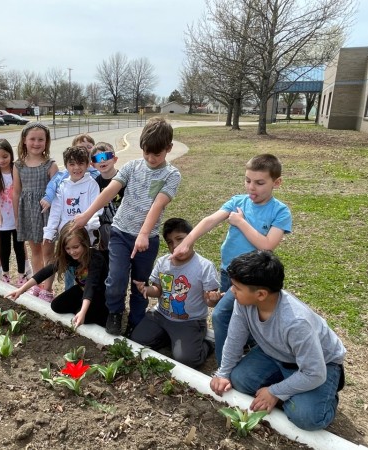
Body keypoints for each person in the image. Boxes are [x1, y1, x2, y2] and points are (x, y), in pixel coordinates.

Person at [171, 153, 292, 366]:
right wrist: (187, 241)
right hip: (229, 272)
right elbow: (210, 220)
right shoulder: (238, 201)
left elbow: (267, 245)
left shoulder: (280, 211)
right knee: (239, 316)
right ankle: (240, 350)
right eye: (248, 180)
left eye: (259, 183)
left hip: (253, 280)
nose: (251, 187)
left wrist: (240, 222)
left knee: (221, 315)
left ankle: (224, 365)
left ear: (277, 182)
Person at [210, 250, 346, 431]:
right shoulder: (243, 303)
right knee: (239, 380)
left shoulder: (296, 322)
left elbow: (315, 372)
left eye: (237, 287)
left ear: (261, 294)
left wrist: (275, 392)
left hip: (320, 366)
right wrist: (223, 372)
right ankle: (291, 389)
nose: (231, 290)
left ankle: (325, 395)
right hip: (275, 353)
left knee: (307, 417)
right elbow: (234, 340)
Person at [73, 117, 181, 335]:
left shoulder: (172, 175)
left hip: (147, 240)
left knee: (140, 282)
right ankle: (115, 311)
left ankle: (136, 319)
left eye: (157, 154)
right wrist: (86, 215)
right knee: (116, 278)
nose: (151, 158)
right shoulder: (132, 167)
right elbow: (109, 192)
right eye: (146, 152)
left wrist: (143, 234)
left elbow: (157, 205)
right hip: (120, 233)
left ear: (168, 148)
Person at [130, 218, 220, 368]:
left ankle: (207, 344)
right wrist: (145, 289)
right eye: (170, 242)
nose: (175, 245)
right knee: (137, 340)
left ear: (192, 237)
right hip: (161, 316)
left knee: (187, 360)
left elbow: (209, 301)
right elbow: (158, 290)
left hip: (189, 321)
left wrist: (213, 299)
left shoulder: (205, 266)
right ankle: (170, 337)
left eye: (180, 239)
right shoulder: (163, 262)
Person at [6, 222, 109, 328]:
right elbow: (46, 271)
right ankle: (82, 310)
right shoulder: (69, 256)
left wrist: (83, 311)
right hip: (81, 290)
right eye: (68, 248)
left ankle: (95, 314)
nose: (72, 252)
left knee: (85, 318)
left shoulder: (96, 259)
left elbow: (91, 285)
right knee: (56, 306)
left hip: (99, 295)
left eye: (75, 247)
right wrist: (21, 290)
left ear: (85, 243)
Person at [41, 146, 101, 299]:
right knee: (69, 270)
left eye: (81, 164)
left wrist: (88, 226)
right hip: (67, 239)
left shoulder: (92, 184)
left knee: (86, 272)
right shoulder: (62, 186)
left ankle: (88, 300)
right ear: (66, 165)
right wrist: (49, 231)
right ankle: (70, 296)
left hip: (85, 239)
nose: (76, 168)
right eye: (72, 164)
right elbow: (55, 212)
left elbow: (96, 210)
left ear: (87, 164)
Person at [12, 122, 58, 301]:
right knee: (35, 251)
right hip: (28, 212)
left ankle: (48, 288)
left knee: (48, 253)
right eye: (32, 139)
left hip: (46, 213)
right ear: (24, 140)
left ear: (46, 142)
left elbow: (57, 193)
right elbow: (16, 192)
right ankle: (37, 285)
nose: (36, 143)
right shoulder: (18, 165)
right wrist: (17, 216)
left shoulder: (50, 165)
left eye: (41, 139)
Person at [0, 139, 27, 286]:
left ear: (11, 154)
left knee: (19, 247)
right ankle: (5, 274)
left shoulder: (17, 170)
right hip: (3, 219)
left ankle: (22, 275)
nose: (1, 160)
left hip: (18, 217)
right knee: (5, 248)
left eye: (5, 156)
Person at [90, 142, 125, 252]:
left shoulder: (124, 180)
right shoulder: (94, 184)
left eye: (106, 156)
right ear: (92, 164)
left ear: (115, 159)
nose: (102, 161)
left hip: (123, 228)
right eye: (97, 158)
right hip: (103, 231)